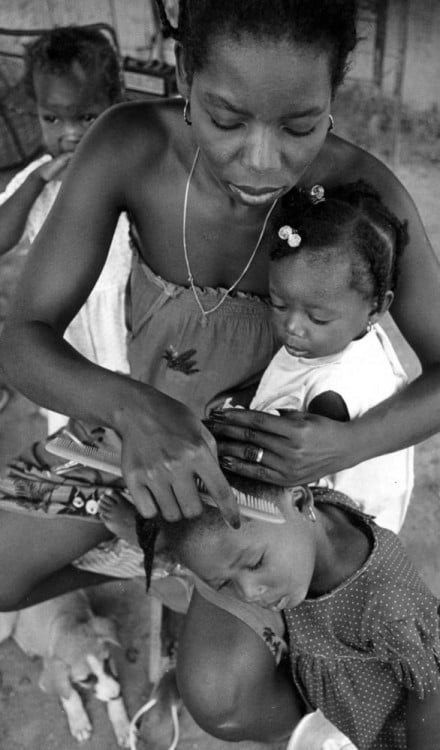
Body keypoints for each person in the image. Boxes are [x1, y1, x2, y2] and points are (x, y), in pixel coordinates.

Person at [0, 0, 440, 741]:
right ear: (182, 75)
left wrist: (343, 447)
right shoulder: (130, 146)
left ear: (334, 96)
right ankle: (177, 570)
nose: (261, 159)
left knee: (223, 700)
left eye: (300, 126)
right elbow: (23, 337)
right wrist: (133, 412)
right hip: (134, 429)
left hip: (259, 481)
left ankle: (287, 682)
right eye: (227, 118)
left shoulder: (362, 197)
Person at [145, 482, 440, 749]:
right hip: (342, 702)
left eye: (256, 562)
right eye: (225, 583)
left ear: (300, 502)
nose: (249, 593)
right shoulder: (300, 532)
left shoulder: (388, 603)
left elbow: (433, 689)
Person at [246, 181, 414, 533]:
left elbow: (285, 487)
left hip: (330, 538)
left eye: (317, 318)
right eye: (278, 304)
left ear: (378, 306)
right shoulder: (353, 334)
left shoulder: (332, 394)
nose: (292, 325)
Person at [0, 25, 130, 433]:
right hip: (66, 320)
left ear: (115, 104)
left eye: (87, 117)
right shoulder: (39, 179)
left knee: (128, 400)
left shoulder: (129, 166)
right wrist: (38, 179)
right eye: (52, 118)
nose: (70, 134)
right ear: (35, 111)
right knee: (71, 412)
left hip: (123, 318)